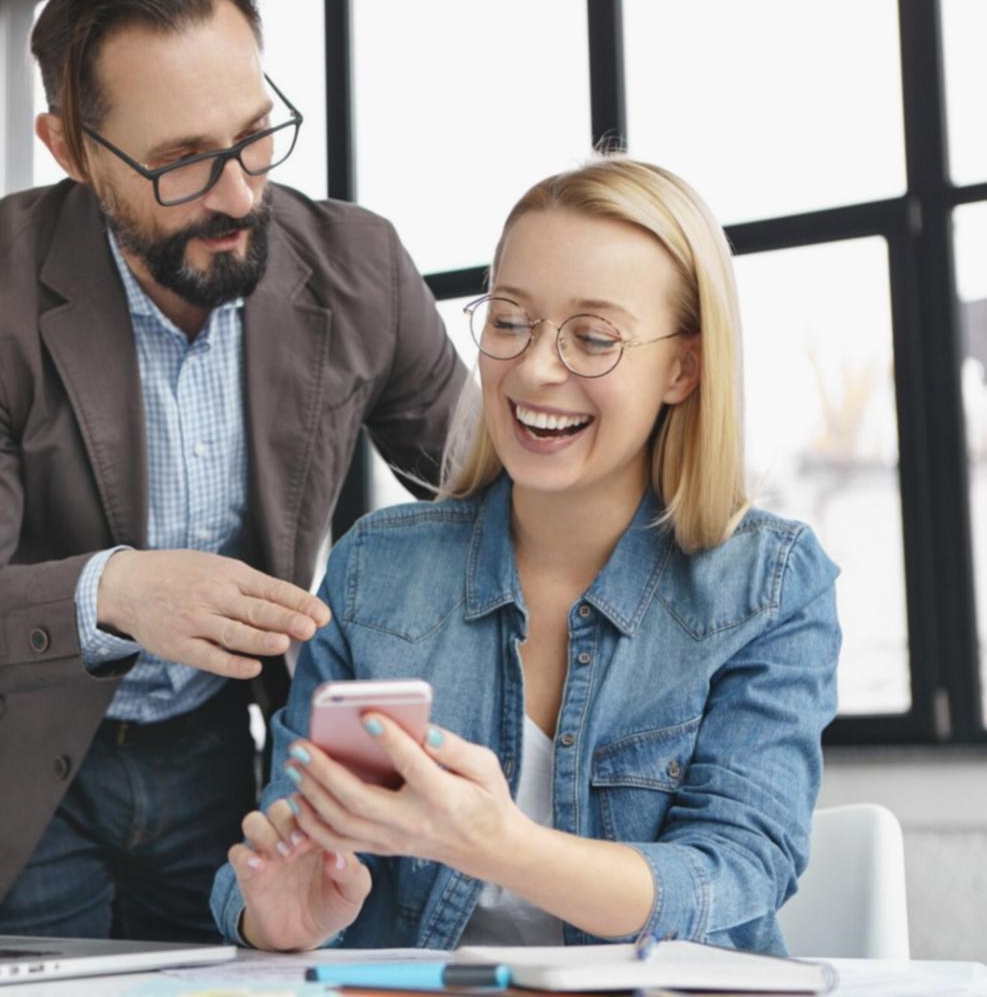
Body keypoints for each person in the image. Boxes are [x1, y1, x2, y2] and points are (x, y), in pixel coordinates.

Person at [0, 0, 466, 943]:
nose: (236, 194)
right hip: (13, 773)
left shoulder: (360, 268)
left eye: (254, 135)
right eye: (181, 160)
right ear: (68, 149)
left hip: (221, 759)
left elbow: (492, 495)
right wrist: (119, 591)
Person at [211, 156, 842, 953]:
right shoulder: (376, 572)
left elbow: (735, 866)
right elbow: (288, 837)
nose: (536, 370)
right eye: (509, 322)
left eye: (592, 337)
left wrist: (496, 844)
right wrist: (272, 918)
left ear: (681, 368)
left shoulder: (768, 585)